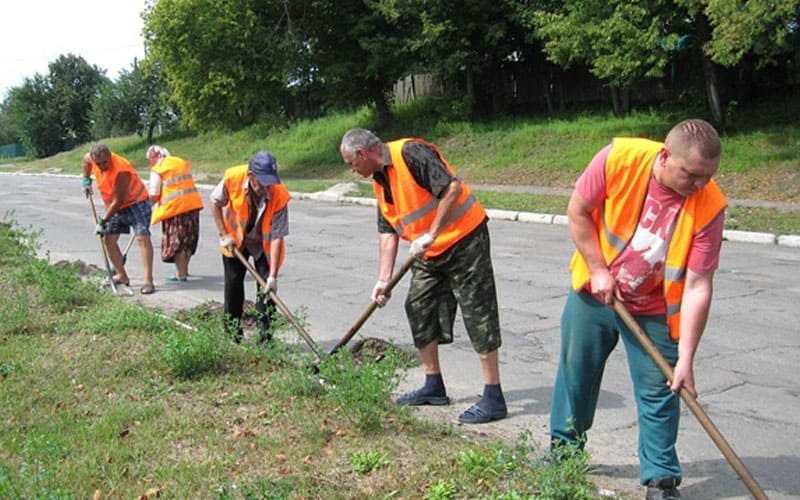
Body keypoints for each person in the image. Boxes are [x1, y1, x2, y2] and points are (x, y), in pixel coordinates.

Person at [549, 119, 726, 500]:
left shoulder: (709, 206)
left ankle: (660, 479)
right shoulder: (619, 160)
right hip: (594, 294)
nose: (699, 185)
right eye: (691, 174)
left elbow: (698, 285)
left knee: (663, 389)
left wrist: (687, 358)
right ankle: (564, 452)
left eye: (707, 177)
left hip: (654, 308)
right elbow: (578, 211)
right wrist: (598, 269)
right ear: (665, 156)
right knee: (575, 373)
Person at [339, 128, 507, 424]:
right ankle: (433, 385)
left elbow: (451, 189)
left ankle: (493, 395)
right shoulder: (380, 180)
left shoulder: (410, 153)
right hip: (429, 253)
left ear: (363, 154)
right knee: (418, 305)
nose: (352, 170)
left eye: (352, 164)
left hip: (464, 240)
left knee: (477, 311)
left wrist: (431, 234)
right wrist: (383, 280)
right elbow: (387, 231)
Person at [210, 151, 289, 343]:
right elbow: (215, 202)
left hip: (264, 244)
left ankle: (266, 339)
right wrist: (223, 234)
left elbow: (277, 236)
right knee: (233, 285)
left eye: (270, 182)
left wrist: (272, 277)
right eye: (262, 182)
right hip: (235, 240)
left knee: (266, 291)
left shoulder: (279, 194)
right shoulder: (233, 178)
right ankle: (232, 334)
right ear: (251, 176)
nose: (266, 188)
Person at [82, 143, 156, 294]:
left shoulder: (121, 169)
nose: (102, 166)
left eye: (105, 162)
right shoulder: (92, 159)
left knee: (142, 237)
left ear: (110, 156)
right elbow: (86, 161)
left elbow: (118, 200)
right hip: (115, 208)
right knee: (108, 239)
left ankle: (148, 280)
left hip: (136, 203)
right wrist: (86, 179)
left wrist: (103, 222)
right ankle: (121, 275)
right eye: (98, 164)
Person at [147, 145, 204, 282]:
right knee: (188, 239)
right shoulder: (180, 162)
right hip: (192, 205)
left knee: (177, 241)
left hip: (175, 209)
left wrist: (146, 206)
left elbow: (154, 193)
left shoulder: (158, 169)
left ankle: (181, 274)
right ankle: (183, 270)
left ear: (153, 158)